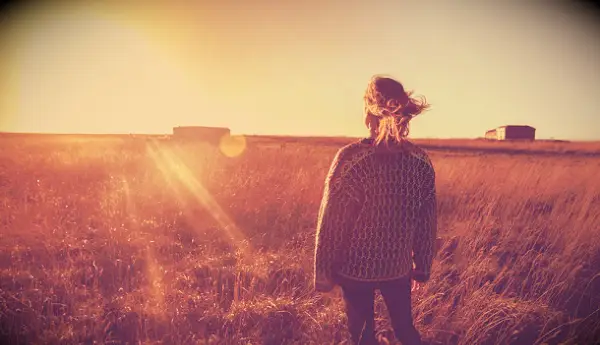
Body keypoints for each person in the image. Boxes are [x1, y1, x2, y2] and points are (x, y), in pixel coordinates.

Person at [313, 75, 437, 345]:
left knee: (362, 338)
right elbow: (426, 221)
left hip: (355, 269)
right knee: (406, 331)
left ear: (369, 111)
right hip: (399, 267)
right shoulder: (420, 161)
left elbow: (332, 222)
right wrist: (421, 266)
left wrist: (324, 273)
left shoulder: (351, 159)